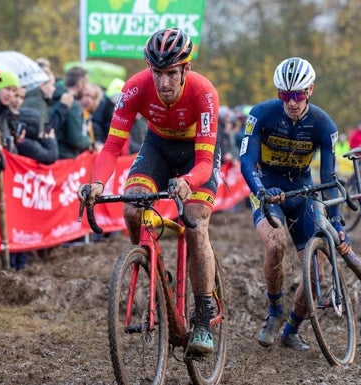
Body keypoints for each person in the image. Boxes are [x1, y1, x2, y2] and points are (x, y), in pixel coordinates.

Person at [77, 28, 220, 355]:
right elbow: (112, 146)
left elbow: (205, 164)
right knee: (131, 209)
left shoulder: (204, 93)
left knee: (196, 226)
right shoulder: (134, 88)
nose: (164, 82)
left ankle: (203, 315)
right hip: (157, 148)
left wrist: (188, 181)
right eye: (158, 73)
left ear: (185, 68)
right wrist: (98, 183)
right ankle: (154, 268)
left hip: (196, 153)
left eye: (171, 73)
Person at [240, 57, 350, 351]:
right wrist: (261, 189)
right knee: (275, 244)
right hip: (267, 188)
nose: (291, 102)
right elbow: (247, 161)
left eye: (298, 94)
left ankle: (292, 330)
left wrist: (337, 222)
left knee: (317, 270)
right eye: (285, 95)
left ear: (310, 90)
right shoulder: (261, 114)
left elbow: (328, 176)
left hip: (302, 191)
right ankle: (274, 311)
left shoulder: (324, 125)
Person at [54, 66, 92, 159]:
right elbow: (76, 139)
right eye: (86, 83)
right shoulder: (73, 105)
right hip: (65, 157)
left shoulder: (54, 96)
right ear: (79, 84)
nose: (87, 87)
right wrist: (89, 142)